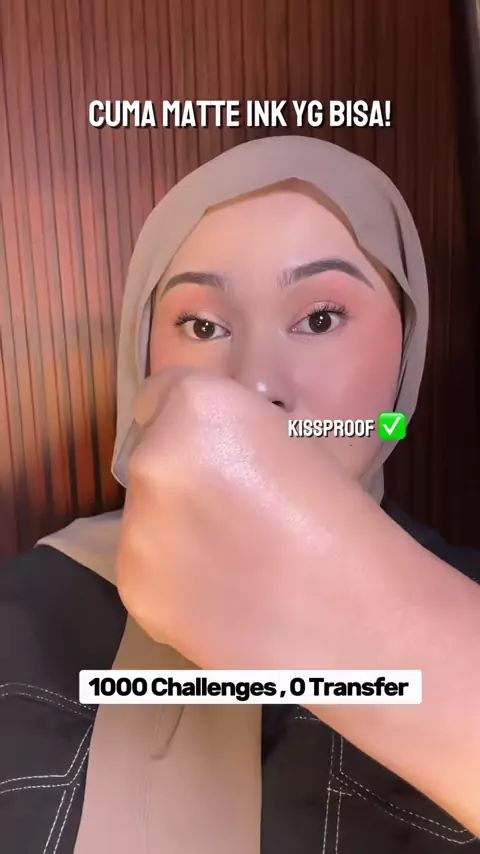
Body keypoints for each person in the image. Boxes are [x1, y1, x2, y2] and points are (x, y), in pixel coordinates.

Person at [1, 135, 479, 854]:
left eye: (320, 318)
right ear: (143, 359)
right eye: (202, 326)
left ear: (407, 352)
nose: (256, 385)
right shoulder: (20, 613)